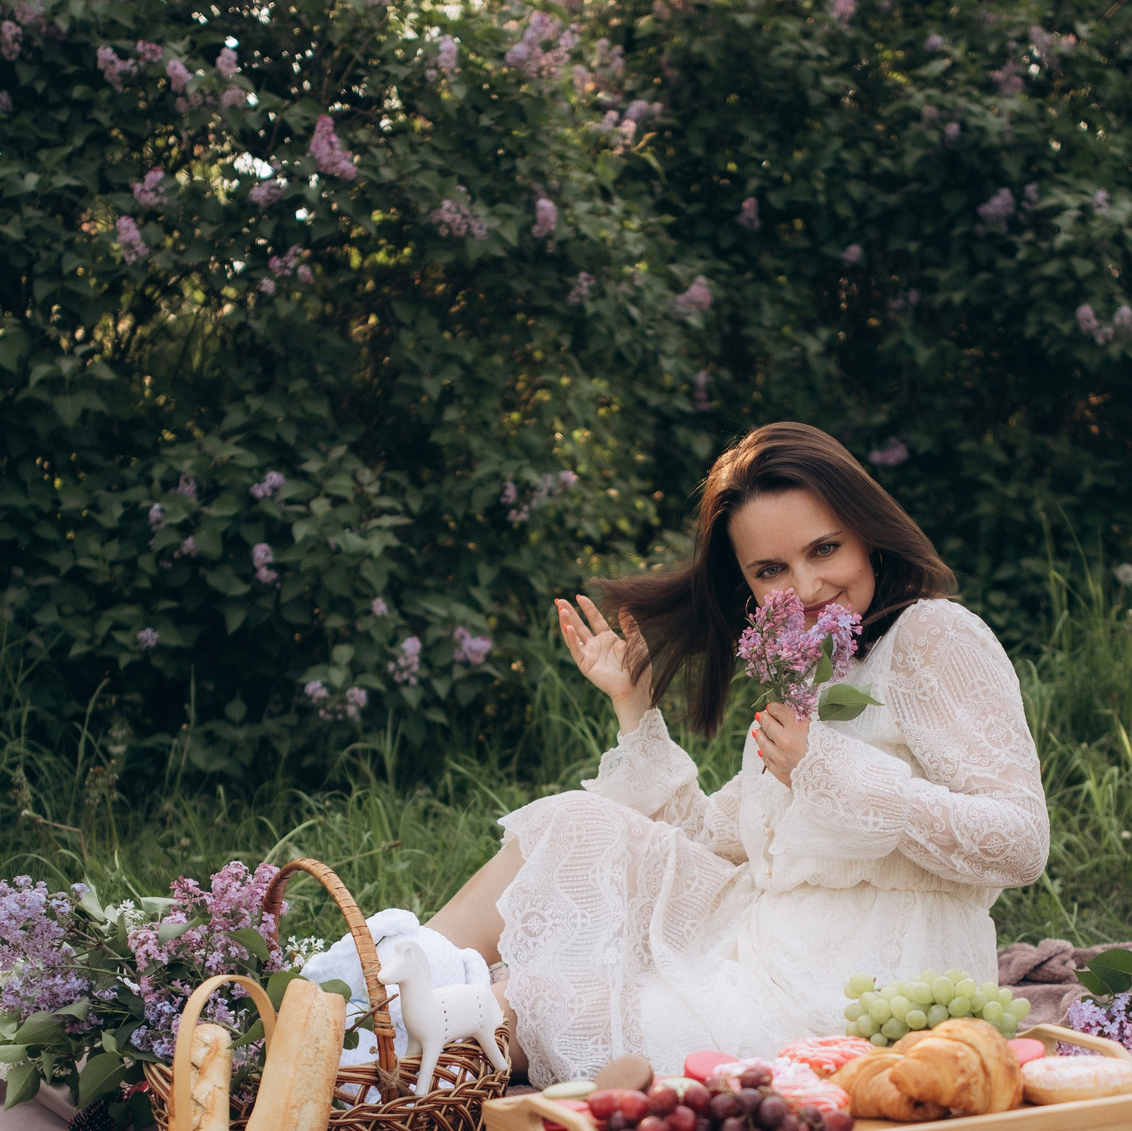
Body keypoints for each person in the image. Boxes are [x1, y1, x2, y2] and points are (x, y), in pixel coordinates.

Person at [426, 422, 1047, 1085]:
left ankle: (355, 1041)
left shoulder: (934, 635)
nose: (806, 588)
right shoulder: (808, 672)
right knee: (568, 830)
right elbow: (713, 837)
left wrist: (830, 771)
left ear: (868, 533)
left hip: (858, 987)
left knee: (516, 1009)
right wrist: (635, 706)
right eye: (771, 570)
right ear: (746, 582)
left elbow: (1021, 841)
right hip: (754, 948)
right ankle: (357, 986)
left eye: (825, 549)